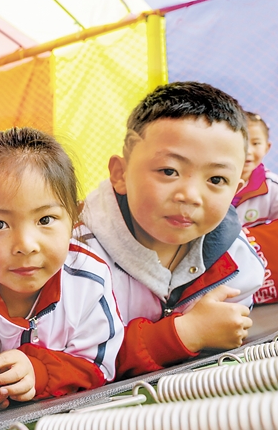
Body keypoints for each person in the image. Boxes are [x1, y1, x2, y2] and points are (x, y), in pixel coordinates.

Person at [78, 82, 265, 380]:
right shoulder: (75, 255)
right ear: (120, 173)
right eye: (169, 171)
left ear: (235, 190)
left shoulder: (237, 260)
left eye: (216, 179)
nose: (190, 195)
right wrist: (184, 334)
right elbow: (68, 361)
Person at [0, 128, 124, 412]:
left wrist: (39, 371)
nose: (26, 245)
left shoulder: (88, 279)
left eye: (45, 219)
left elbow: (99, 364)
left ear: (74, 218)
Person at [232, 111, 278, 227]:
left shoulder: (272, 186)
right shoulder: (210, 179)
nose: (248, 151)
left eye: (255, 143)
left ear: (267, 147)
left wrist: (252, 235)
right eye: (241, 142)